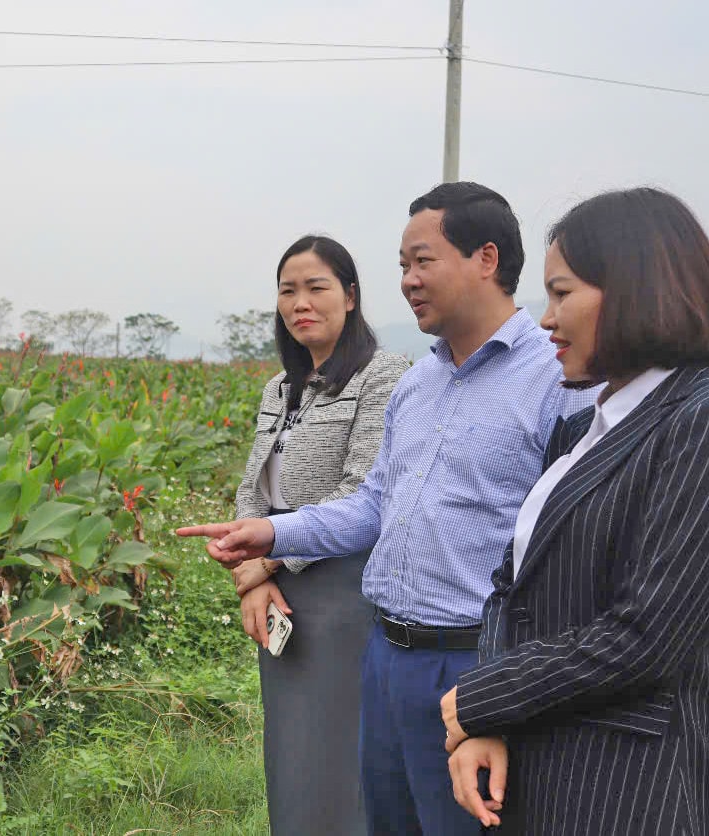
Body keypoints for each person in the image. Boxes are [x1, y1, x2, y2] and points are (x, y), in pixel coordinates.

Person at [178, 181, 597, 835]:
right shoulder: (421, 383)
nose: (407, 280)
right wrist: (268, 531)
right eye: (403, 265)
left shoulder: (553, 379)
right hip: (386, 654)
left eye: (422, 260)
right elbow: (373, 502)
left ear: (486, 259)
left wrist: (517, 682)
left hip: (474, 658)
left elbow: (575, 546)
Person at [441, 187, 709, 835]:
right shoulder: (580, 433)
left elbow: (648, 636)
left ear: (635, 292)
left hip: (630, 793)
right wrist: (489, 725)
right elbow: (511, 592)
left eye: (562, 293)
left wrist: (484, 698)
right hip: (538, 775)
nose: (545, 318)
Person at [230, 235, 408, 834]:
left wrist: (267, 562)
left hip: (344, 594)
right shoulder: (280, 388)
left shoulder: (385, 377)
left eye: (317, 287)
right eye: (288, 290)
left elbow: (364, 493)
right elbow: (253, 489)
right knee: (292, 755)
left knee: (341, 758)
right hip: (278, 598)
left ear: (351, 296)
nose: (300, 302)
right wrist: (250, 585)